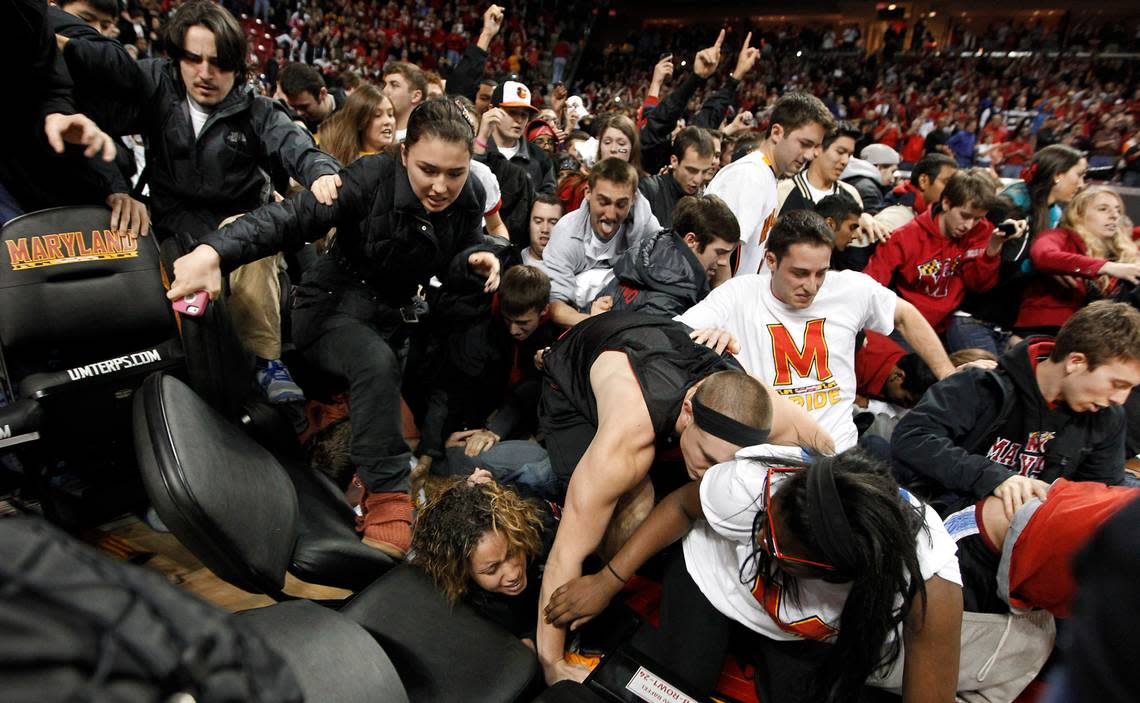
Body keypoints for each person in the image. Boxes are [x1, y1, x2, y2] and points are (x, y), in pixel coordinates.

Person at [164, 100, 503, 559]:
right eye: (428, 170)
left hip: (392, 320)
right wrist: (214, 252)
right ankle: (388, 504)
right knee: (373, 363)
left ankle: (366, 489)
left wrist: (476, 259)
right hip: (330, 307)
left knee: (381, 380)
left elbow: (459, 251)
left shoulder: (468, 198)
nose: (441, 186)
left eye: (455, 173)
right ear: (404, 155)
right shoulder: (369, 178)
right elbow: (289, 219)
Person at [535, 313, 833, 684]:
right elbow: (568, 548)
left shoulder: (768, 409)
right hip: (576, 377)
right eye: (708, 459)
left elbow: (827, 458)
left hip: (656, 342)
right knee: (633, 510)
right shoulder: (630, 431)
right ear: (689, 413)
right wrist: (551, 663)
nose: (714, 477)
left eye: (729, 464)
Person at [68, 0, 342, 403]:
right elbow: (87, 126)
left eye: (219, 62)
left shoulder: (258, 110)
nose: (205, 73)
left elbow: (296, 146)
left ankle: (266, 362)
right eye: (193, 59)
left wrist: (321, 170)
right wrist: (117, 188)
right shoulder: (156, 85)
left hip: (239, 231)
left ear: (238, 64)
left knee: (246, 238)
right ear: (178, 57)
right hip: (170, 226)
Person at [544, 449, 964, 703]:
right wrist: (609, 579)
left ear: (833, 573)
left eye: (774, 545)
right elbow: (682, 507)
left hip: (806, 633)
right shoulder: (758, 481)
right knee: (668, 690)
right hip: (714, 584)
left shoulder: (927, 580)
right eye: (765, 519)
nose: (758, 536)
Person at [677, 209, 955, 452]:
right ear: (771, 261)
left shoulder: (850, 287)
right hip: (766, 453)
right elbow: (676, 334)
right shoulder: (740, 294)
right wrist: (711, 338)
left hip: (839, 451)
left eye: (820, 272)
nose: (812, 285)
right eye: (799, 273)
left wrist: (947, 375)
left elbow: (905, 315)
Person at [892, 301, 1140, 517]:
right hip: (950, 517)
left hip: (1038, 530)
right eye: (1117, 384)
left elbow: (1099, 497)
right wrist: (993, 477)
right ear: (1075, 362)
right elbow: (912, 437)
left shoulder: (1107, 417)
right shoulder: (982, 384)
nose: (1120, 399)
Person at [954, 145, 1087, 355]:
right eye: (1079, 175)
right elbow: (992, 266)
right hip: (974, 318)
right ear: (1058, 175)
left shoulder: (1054, 215)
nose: (1081, 184)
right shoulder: (1007, 207)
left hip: (1004, 325)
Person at [863, 170, 1025, 336]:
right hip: (905, 326)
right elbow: (870, 285)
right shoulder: (906, 236)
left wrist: (992, 250)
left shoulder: (981, 230)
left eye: (977, 218)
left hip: (948, 325)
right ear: (946, 203)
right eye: (965, 215)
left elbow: (978, 284)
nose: (969, 225)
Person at [411, 475, 558, 642]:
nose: (513, 574)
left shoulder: (534, 532)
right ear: (461, 572)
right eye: (492, 569)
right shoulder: (470, 611)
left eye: (513, 552)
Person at [705, 93, 835, 279]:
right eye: (805, 144)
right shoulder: (750, 176)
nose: (810, 155)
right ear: (776, 133)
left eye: (815, 147)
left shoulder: (766, 175)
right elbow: (721, 256)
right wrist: (728, 306)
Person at [538, 158, 661, 327]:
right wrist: (597, 323)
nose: (610, 214)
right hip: (584, 318)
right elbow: (556, 307)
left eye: (621, 205)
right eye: (603, 202)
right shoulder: (566, 234)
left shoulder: (645, 225)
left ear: (632, 200)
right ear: (587, 193)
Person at [1016, 187, 1140, 335]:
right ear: (1079, 214)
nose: (1114, 216)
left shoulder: (1125, 252)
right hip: (1049, 331)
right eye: (1103, 209)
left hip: (1103, 337)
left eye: (1118, 210)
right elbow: (1043, 256)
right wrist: (1106, 267)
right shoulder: (1060, 237)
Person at [595, 194, 740, 317]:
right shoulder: (668, 302)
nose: (723, 262)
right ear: (691, 240)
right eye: (720, 252)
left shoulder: (656, 249)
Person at [475, 80, 555, 194]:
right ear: (492, 110)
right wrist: (482, 137)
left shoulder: (540, 157)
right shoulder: (472, 147)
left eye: (524, 114)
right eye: (512, 112)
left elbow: (548, 201)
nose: (519, 120)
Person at [777, 121, 863, 215]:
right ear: (817, 148)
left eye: (849, 155)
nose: (845, 161)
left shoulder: (851, 194)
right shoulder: (782, 192)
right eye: (840, 152)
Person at [637, 126, 717, 228]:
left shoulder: (705, 204)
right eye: (691, 170)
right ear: (674, 161)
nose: (698, 179)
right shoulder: (648, 191)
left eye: (705, 171)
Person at [874, 153, 958, 232]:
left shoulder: (922, 213)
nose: (953, 190)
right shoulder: (895, 219)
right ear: (923, 181)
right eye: (947, 183)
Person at [316, 84, 396, 164]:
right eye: (377, 115)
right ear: (360, 121)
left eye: (390, 114)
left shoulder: (401, 159)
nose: (388, 121)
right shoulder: (337, 162)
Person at [278, 62, 345, 132]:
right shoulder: (288, 118)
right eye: (294, 107)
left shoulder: (349, 118)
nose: (299, 113)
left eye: (304, 107)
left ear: (322, 94)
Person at [814, 192, 869, 271]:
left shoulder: (836, 257)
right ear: (830, 224)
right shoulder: (803, 256)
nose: (855, 235)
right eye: (852, 227)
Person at [842, 143, 898, 215]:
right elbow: (875, 220)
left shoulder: (857, 180)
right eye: (892, 171)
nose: (892, 178)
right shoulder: (868, 189)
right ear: (878, 166)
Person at [382, 61, 427, 142]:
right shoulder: (373, 131)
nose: (385, 90)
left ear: (416, 96)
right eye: (385, 85)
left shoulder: (423, 138)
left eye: (394, 85)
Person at [521, 194, 563, 266]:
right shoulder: (513, 261)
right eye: (538, 221)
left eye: (553, 223)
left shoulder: (572, 266)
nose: (545, 229)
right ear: (528, 224)